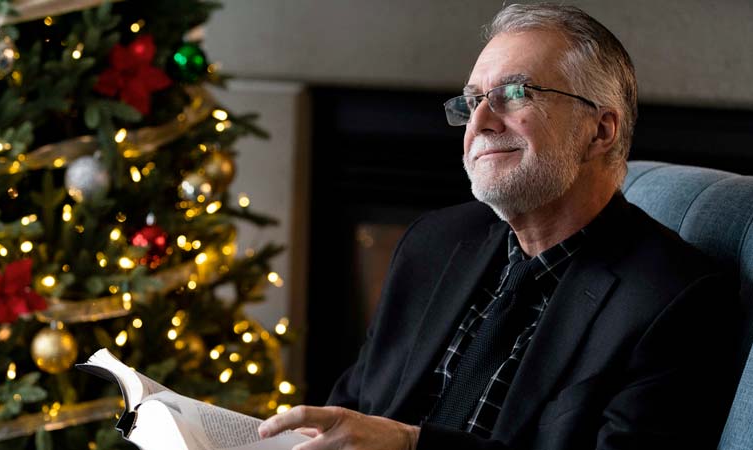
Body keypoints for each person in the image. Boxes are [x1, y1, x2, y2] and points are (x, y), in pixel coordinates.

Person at [258, 3, 741, 450]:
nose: (481, 122)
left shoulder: (677, 300)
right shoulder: (433, 243)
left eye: (514, 93)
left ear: (601, 129)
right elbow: (356, 407)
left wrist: (411, 445)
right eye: (471, 101)